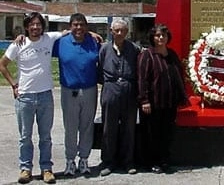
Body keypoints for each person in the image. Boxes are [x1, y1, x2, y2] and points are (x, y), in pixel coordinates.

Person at [0, 12, 61, 184]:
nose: (36, 27)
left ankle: (46, 169)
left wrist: (92, 34)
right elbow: (2, 64)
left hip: (45, 96)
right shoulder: (19, 44)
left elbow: (69, 31)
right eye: (32, 24)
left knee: (45, 136)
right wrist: (13, 85)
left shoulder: (49, 38)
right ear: (27, 27)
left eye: (38, 24)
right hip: (25, 97)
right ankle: (25, 168)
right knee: (25, 136)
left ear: (42, 26)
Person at [52, 13, 101, 176]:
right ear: (70, 26)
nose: (79, 28)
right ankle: (70, 160)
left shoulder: (94, 42)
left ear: (87, 26)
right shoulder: (60, 43)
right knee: (70, 127)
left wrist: (94, 35)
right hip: (69, 91)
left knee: (87, 127)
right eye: (75, 24)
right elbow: (40, 44)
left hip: (89, 90)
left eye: (82, 24)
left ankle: (84, 160)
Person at [137, 24, 189, 174]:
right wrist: (144, 100)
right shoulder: (147, 55)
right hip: (153, 102)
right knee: (152, 133)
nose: (161, 38)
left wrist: (181, 98)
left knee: (166, 133)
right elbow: (142, 79)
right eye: (157, 35)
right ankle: (152, 162)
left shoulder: (171, 54)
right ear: (152, 38)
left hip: (169, 102)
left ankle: (164, 160)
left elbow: (178, 76)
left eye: (163, 35)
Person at [98, 19, 141, 176]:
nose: (120, 33)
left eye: (123, 30)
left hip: (129, 90)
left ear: (127, 32)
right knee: (109, 127)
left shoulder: (134, 49)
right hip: (110, 89)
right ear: (111, 31)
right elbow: (99, 71)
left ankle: (128, 162)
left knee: (129, 128)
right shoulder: (104, 49)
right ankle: (109, 162)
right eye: (117, 30)